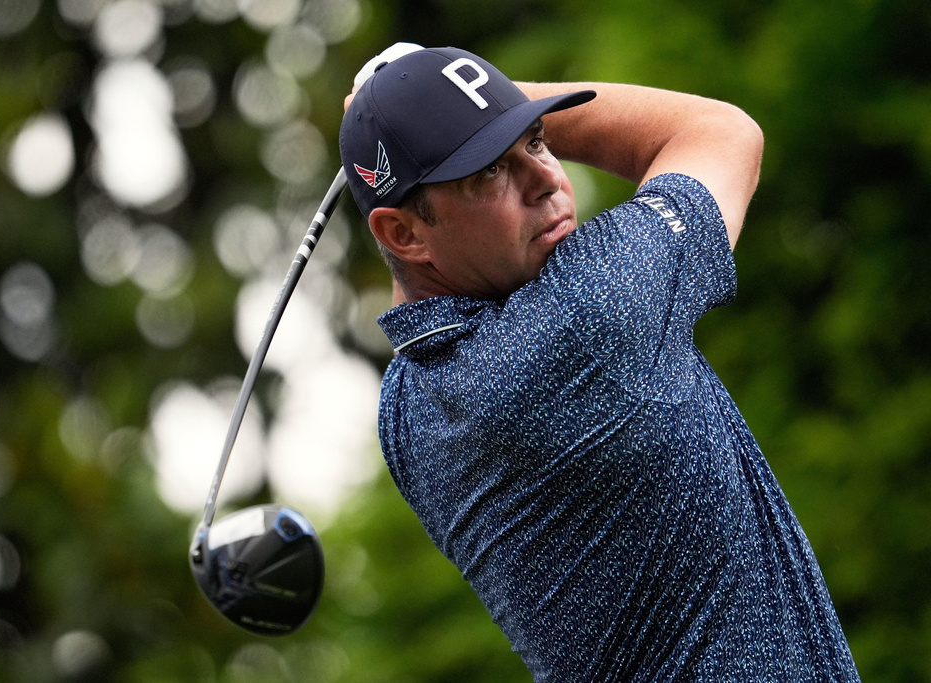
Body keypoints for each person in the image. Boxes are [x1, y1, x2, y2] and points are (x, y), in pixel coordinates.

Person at [339, 45, 860, 681]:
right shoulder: (588, 316)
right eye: (487, 174)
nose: (545, 180)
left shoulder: (406, 410)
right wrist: (509, 95)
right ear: (404, 235)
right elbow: (722, 132)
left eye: (535, 140)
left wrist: (452, 110)